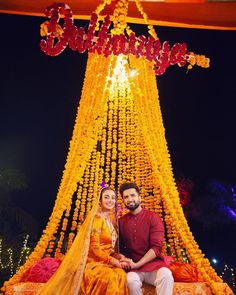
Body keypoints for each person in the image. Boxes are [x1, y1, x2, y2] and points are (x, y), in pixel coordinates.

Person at [38, 187, 129, 295]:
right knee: (109, 277)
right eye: (106, 197)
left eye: (113, 198)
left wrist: (119, 256)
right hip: (94, 263)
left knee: (121, 274)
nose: (110, 200)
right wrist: (114, 261)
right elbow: (95, 249)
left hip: (106, 263)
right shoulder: (96, 220)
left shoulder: (110, 221)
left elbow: (108, 248)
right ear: (100, 201)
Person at [119, 182, 174, 295]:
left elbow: (156, 248)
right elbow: (117, 248)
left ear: (139, 197)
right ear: (123, 200)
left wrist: (138, 264)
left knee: (166, 274)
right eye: (126, 197)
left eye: (133, 195)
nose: (130, 199)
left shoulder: (153, 217)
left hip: (153, 266)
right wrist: (124, 259)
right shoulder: (121, 222)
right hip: (133, 269)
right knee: (130, 280)